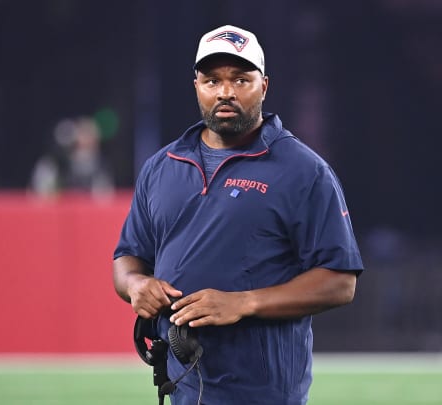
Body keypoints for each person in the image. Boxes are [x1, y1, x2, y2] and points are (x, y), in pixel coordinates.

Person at [113, 24, 364, 405]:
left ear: (264, 86)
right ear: (196, 85)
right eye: (212, 80)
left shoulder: (303, 171)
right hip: (182, 382)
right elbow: (128, 257)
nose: (225, 92)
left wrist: (244, 302)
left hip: (261, 390)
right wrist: (135, 285)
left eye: (240, 80)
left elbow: (340, 282)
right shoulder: (162, 166)